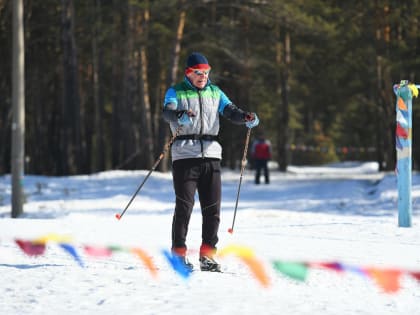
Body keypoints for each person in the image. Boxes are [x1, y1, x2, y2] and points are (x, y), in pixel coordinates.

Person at [162, 52, 259, 272]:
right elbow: (167, 113)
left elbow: (230, 111)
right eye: (198, 73)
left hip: (212, 155)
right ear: (188, 73)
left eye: (206, 72)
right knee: (184, 207)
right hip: (185, 155)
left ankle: (208, 256)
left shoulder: (215, 92)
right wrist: (179, 116)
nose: (203, 76)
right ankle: (178, 254)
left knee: (212, 209)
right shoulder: (175, 91)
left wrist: (246, 117)